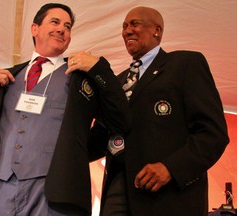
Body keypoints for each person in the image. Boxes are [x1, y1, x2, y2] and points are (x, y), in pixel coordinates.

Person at [0, 3, 131, 216]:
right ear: (34, 29)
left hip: (53, 193)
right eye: (55, 22)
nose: (62, 29)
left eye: (67, 27)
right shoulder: (6, 77)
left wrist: (98, 68)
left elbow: (120, 119)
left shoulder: (80, 78)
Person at [83, 6, 229, 216]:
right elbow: (99, 138)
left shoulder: (185, 64)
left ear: (157, 30)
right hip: (117, 189)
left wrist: (170, 168)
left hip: (167, 195)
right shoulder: (117, 81)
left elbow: (212, 134)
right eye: (124, 27)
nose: (127, 31)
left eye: (134, 24)